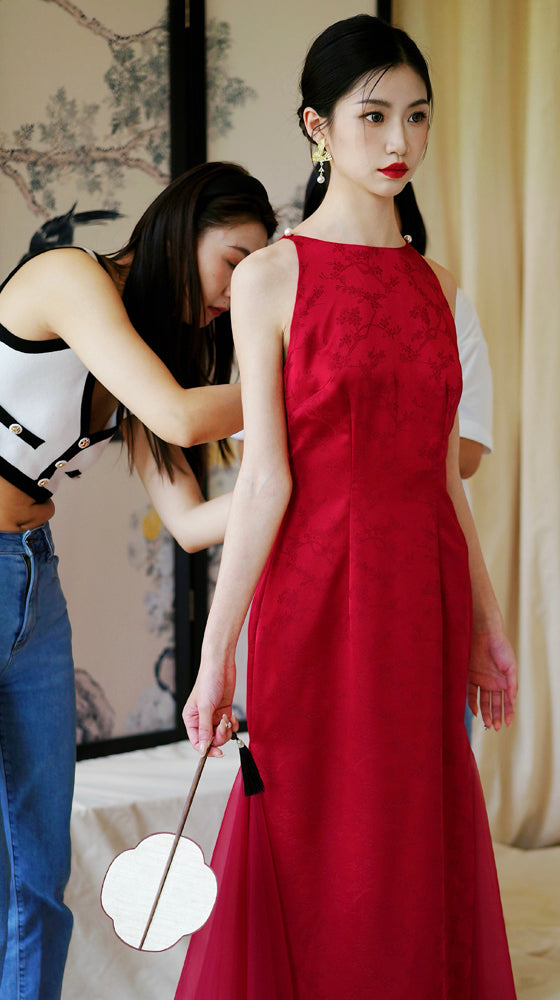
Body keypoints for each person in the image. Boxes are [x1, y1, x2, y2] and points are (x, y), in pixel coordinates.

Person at [176, 15, 518, 998]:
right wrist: (216, 654)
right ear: (317, 127)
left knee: (409, 829)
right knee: (313, 826)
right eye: (371, 117)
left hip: (422, 593)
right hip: (317, 596)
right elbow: (266, 481)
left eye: (416, 117)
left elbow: (444, 478)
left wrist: (489, 628)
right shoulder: (271, 278)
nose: (398, 142)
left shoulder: (437, 288)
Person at [0, 160, 276, 1000]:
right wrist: (305, 377)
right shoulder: (68, 278)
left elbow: (194, 525)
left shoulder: (147, 364)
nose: (236, 295)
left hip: (31, 586)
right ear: (183, 225)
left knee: (37, 878)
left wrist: (294, 487)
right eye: (233, 263)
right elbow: (187, 415)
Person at [303, 175, 495, 480]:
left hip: (429, 511)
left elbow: (468, 454)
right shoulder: (282, 291)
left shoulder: (446, 296)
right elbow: (257, 460)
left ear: (406, 220)